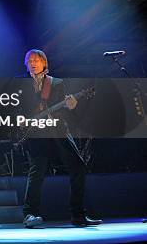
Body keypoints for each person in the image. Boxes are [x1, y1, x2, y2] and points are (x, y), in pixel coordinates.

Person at [21, 49, 102, 228]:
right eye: (30, 61)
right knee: (37, 172)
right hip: (37, 133)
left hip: (58, 131)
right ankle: (29, 215)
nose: (33, 63)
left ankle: (78, 215)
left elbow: (66, 111)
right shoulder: (22, 85)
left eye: (36, 60)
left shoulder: (56, 83)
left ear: (44, 63)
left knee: (78, 167)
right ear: (26, 65)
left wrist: (72, 106)